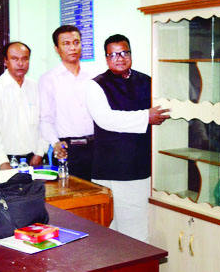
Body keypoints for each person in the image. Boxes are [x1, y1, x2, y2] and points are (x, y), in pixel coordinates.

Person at [86, 34, 169, 242]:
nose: (120, 58)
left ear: (131, 54)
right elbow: (106, 119)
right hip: (108, 168)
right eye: (113, 54)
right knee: (107, 230)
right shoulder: (96, 85)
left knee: (136, 229)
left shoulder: (147, 81)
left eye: (124, 52)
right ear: (106, 58)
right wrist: (145, 117)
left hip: (136, 168)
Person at [39, 25, 96, 180]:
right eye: (66, 44)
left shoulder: (95, 75)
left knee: (99, 197)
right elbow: (45, 119)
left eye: (76, 42)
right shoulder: (48, 80)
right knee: (72, 197)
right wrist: (55, 143)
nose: (73, 47)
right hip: (68, 149)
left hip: (97, 147)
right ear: (57, 49)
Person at [0, 42, 47, 170]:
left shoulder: (36, 88)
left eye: (25, 59)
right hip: (6, 161)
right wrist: (2, 161)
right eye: (15, 59)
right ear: (5, 61)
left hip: (34, 159)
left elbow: (44, 122)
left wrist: (39, 152)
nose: (20, 63)